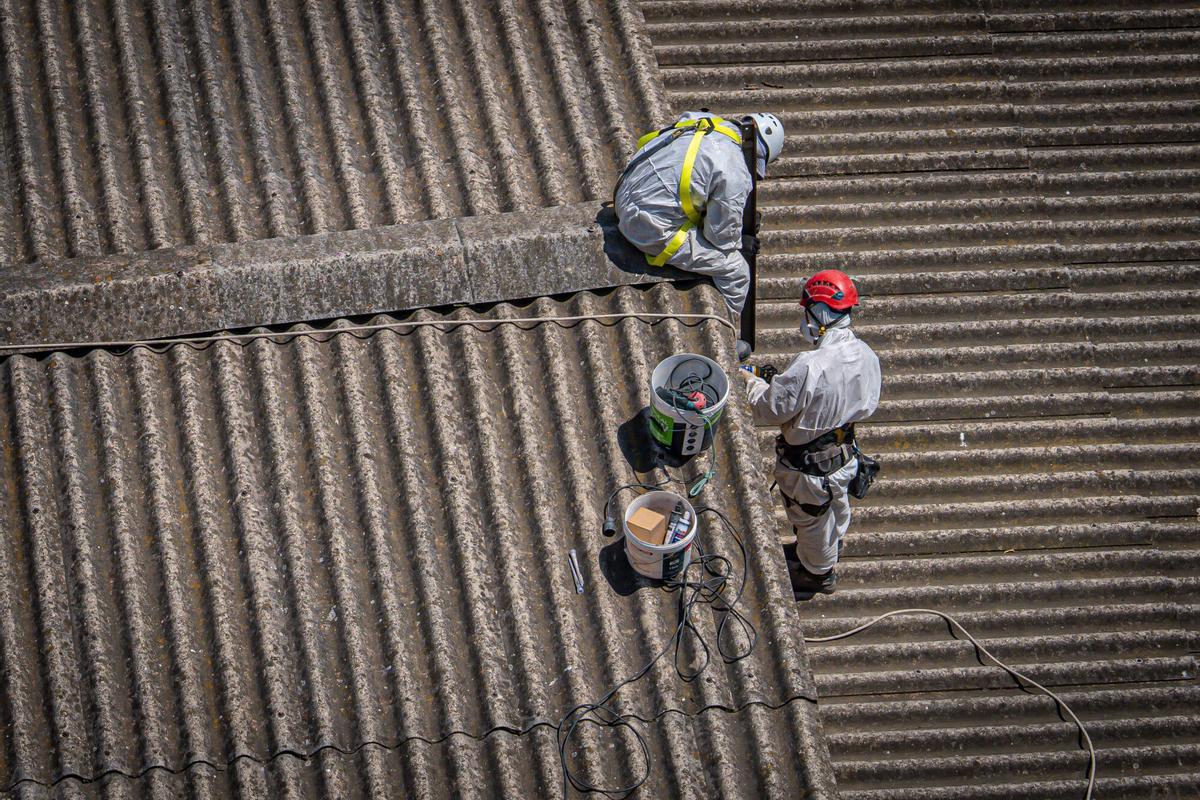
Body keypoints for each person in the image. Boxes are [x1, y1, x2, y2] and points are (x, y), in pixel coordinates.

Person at [738, 270, 881, 599]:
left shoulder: (811, 365)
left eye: (807, 312)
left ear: (818, 313)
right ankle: (820, 552)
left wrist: (751, 381)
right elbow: (866, 403)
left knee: (811, 518)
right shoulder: (866, 355)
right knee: (836, 508)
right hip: (845, 455)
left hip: (811, 469)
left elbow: (767, 410)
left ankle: (818, 574)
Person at [613, 111, 784, 314]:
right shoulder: (735, 170)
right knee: (737, 272)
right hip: (646, 226)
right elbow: (720, 238)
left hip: (623, 192)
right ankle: (727, 337)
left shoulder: (701, 120)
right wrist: (740, 240)